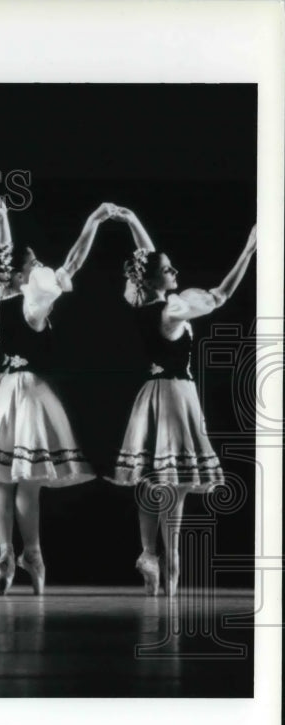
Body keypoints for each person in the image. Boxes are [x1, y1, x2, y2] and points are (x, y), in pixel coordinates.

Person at [0, 198, 111, 595]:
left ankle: (6, 551)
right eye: (35, 263)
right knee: (30, 480)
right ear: (23, 275)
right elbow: (71, 264)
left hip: (3, 390)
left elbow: (3, 256)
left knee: (2, 479)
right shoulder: (33, 302)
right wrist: (93, 220)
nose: (40, 266)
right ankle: (33, 553)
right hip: (31, 392)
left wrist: (2, 217)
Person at [109, 209, 256, 596]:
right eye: (169, 270)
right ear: (156, 278)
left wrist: (132, 220)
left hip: (151, 393)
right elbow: (219, 296)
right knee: (173, 483)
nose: (176, 273)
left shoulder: (141, 303)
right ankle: (170, 567)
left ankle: (147, 554)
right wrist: (250, 249)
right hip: (175, 396)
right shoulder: (171, 309)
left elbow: (149, 256)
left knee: (152, 477)